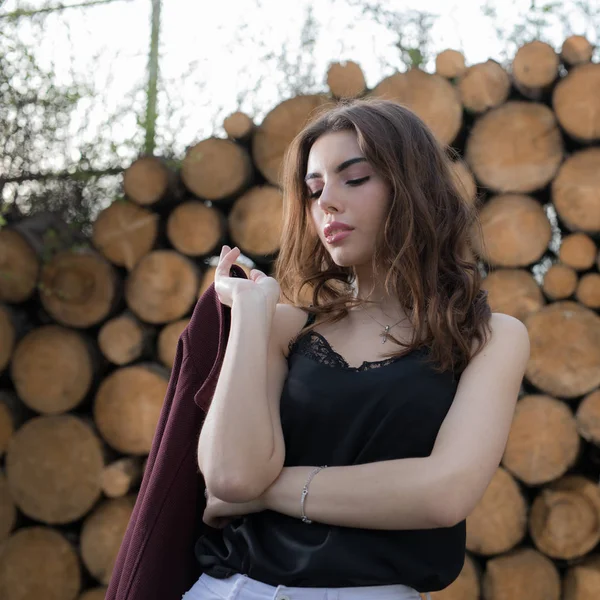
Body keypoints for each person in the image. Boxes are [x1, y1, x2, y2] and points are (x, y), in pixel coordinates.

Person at [185, 99, 530, 600]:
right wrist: (252, 315)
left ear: (412, 189)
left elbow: (442, 494)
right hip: (227, 589)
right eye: (314, 188)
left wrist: (264, 493)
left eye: (355, 178)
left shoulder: (490, 336)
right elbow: (231, 475)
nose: (326, 202)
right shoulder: (285, 326)